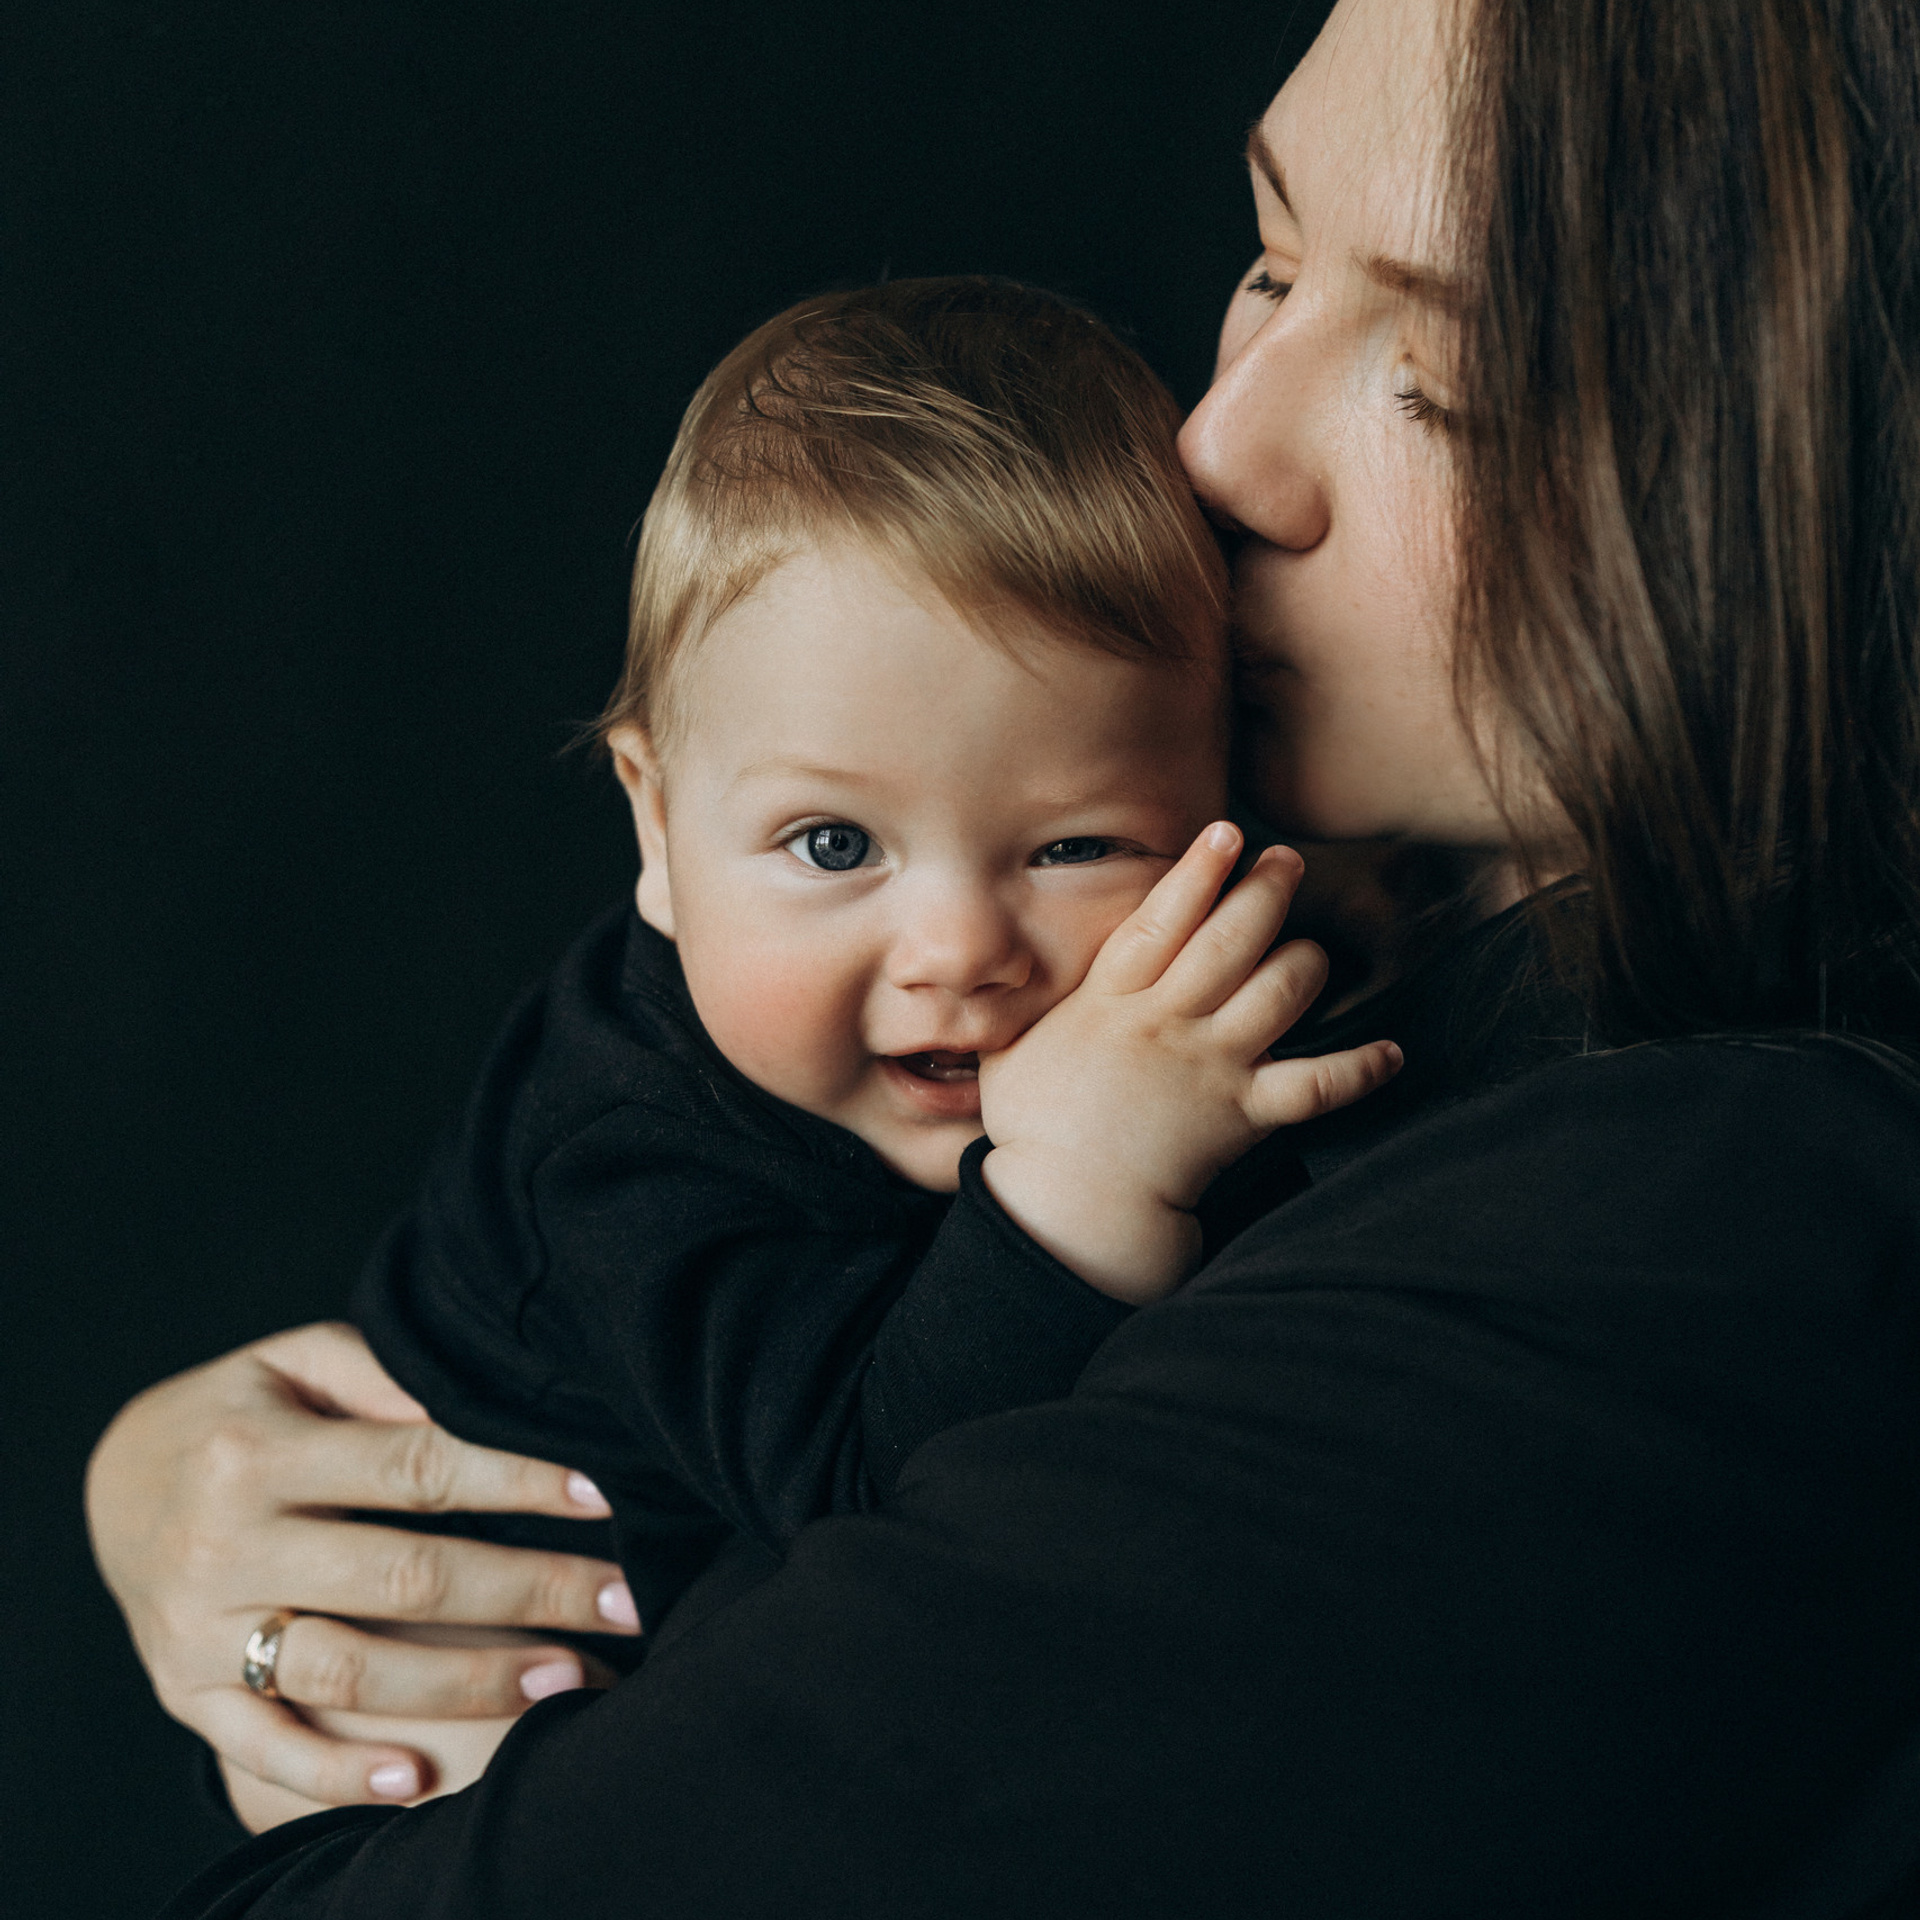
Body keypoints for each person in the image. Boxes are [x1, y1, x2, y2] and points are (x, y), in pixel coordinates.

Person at [90, 0, 1920, 1910]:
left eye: (1439, 386)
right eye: (1272, 264)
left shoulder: (1700, 1217)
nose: (1218, 452)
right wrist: (188, 1495)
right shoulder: (1345, 960)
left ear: (1822, 473)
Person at [346, 273, 1395, 1645]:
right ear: (656, 827)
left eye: (1079, 847)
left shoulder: (1204, 981)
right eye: (835, 845)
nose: (959, 951)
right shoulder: (623, 1148)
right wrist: (1081, 1185)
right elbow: (880, 1500)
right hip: (480, 1723)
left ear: (1226, 806)